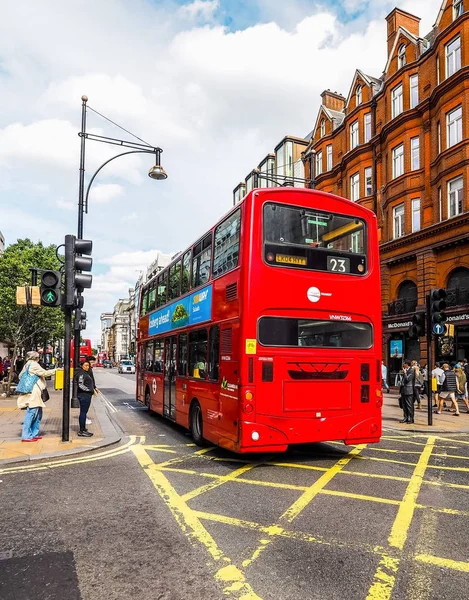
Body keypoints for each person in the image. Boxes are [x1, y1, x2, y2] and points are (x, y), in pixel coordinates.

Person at [17, 351, 56, 442]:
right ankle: (26, 436)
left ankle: (34, 434)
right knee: (31, 413)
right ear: (35, 358)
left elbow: (20, 376)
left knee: (38, 414)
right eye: (38, 357)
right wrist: (56, 370)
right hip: (33, 392)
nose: (39, 359)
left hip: (34, 392)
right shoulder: (33, 364)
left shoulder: (27, 364)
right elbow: (45, 373)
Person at [74, 360, 94, 437]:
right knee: (83, 413)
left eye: (88, 365)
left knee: (84, 412)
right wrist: (89, 390)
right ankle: (82, 431)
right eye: (85, 365)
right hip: (84, 395)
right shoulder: (82, 374)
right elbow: (80, 385)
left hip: (85, 395)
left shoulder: (84, 373)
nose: (87, 367)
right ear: (81, 366)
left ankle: (83, 429)